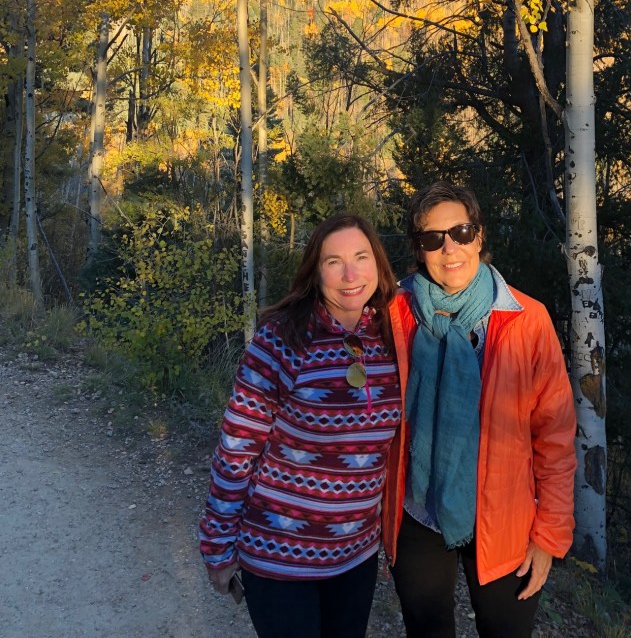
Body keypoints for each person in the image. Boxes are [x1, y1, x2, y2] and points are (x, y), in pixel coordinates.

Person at [381, 181, 577, 638]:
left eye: (461, 232)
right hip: (418, 512)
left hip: (505, 522)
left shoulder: (527, 320)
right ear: (419, 249)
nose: (449, 248)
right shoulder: (395, 311)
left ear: (479, 235)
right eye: (433, 238)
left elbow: (555, 435)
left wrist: (549, 536)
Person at [199, 213, 401, 638]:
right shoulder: (283, 339)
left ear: (379, 264)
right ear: (315, 271)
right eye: (333, 262)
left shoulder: (393, 337)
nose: (350, 275)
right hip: (279, 555)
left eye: (361, 257)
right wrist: (217, 544)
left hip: (356, 557)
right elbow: (236, 448)